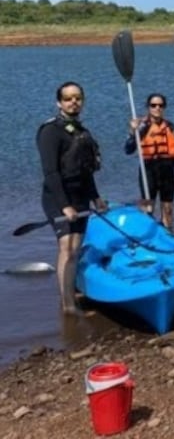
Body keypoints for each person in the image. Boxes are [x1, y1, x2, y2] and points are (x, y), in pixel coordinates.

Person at [36, 82, 107, 315]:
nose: (73, 102)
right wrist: (64, 205)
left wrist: (96, 198)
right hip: (57, 197)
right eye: (68, 98)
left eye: (77, 97)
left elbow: (85, 170)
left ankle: (70, 293)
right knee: (66, 247)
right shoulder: (50, 131)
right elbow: (51, 172)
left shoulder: (81, 131)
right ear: (59, 103)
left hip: (80, 196)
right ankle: (68, 306)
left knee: (76, 248)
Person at [124, 93, 174, 227]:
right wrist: (132, 133)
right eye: (153, 105)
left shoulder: (170, 126)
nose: (157, 108)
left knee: (168, 210)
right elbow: (128, 150)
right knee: (147, 209)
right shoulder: (141, 126)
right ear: (148, 107)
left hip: (167, 169)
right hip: (148, 170)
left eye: (160, 105)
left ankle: (168, 234)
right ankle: (147, 235)